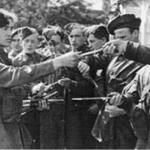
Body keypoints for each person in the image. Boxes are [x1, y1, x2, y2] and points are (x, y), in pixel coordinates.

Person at [0, 9, 80, 149]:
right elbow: (14, 74)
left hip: (10, 122)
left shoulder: (3, 55)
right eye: (5, 28)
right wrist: (58, 62)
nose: (9, 33)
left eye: (11, 28)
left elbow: (8, 89)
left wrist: (31, 89)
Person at [78, 14, 143, 149]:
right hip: (108, 122)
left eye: (123, 38)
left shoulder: (145, 60)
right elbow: (95, 59)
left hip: (131, 124)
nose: (117, 42)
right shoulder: (114, 56)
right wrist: (85, 63)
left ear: (135, 34)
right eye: (116, 38)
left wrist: (126, 109)